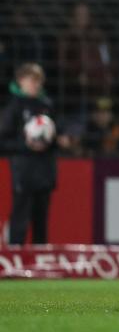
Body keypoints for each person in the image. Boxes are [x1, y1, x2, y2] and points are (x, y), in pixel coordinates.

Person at [0, 63, 71, 244]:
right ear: (21, 81)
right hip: (23, 172)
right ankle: (15, 255)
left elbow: (58, 133)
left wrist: (59, 141)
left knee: (41, 220)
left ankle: (40, 256)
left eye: (38, 81)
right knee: (20, 218)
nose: (35, 85)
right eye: (31, 80)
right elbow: (3, 141)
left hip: (44, 171)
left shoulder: (47, 104)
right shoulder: (13, 106)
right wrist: (27, 145)